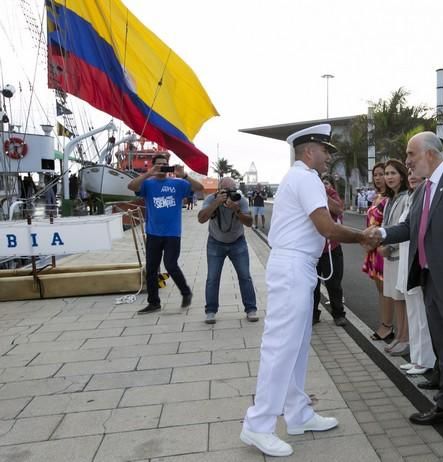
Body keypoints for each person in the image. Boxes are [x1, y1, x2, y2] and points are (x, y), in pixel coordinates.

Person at [240, 124, 377, 457]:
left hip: (298, 266)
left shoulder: (302, 177)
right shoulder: (305, 178)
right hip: (292, 267)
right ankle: (258, 425)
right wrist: (362, 237)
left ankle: (298, 413)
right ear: (308, 151)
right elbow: (326, 226)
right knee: (280, 347)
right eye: (325, 150)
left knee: (296, 346)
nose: (329, 156)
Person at [367, 131, 443, 442]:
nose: (407, 160)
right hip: (430, 280)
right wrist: (381, 232)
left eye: (411, 154)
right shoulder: (422, 191)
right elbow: (410, 228)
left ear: (431, 155)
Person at [127, 154, 204, 314]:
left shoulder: (178, 184)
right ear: (154, 166)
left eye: (165, 164)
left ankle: (186, 292)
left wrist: (184, 175)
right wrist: (149, 173)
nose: (162, 167)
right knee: (151, 269)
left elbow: (199, 188)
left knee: (170, 265)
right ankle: (154, 303)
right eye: (159, 165)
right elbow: (131, 186)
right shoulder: (148, 184)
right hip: (153, 233)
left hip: (172, 233)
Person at [198, 177, 258, 325]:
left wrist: (236, 209)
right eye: (225, 191)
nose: (229, 194)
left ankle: (251, 309)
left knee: (245, 276)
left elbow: (250, 223)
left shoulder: (240, 200)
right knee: (212, 278)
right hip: (215, 242)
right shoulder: (211, 199)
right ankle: (210, 311)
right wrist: (216, 203)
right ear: (218, 190)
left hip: (237, 241)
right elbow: (201, 219)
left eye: (232, 190)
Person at [396, 168, 436, 376]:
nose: (411, 175)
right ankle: (417, 357)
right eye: (409, 172)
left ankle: (426, 360)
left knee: (422, 316)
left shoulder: (428, 197)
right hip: (406, 262)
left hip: (417, 264)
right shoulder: (413, 198)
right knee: (413, 313)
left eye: (415, 172)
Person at [380, 159, 410, 356]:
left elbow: (404, 228)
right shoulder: (392, 198)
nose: (389, 177)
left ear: (402, 175)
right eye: (387, 173)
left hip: (399, 255)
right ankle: (399, 336)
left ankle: (405, 338)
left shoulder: (407, 197)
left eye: (393, 173)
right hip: (389, 256)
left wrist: (388, 246)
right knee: (394, 297)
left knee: (402, 298)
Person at [362, 163, 392, 341]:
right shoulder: (376, 197)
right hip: (372, 248)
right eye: (377, 175)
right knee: (380, 291)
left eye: (383, 174)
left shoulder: (390, 198)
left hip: (381, 247)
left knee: (386, 290)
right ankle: (384, 323)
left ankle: (387, 326)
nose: (379, 178)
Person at [313, 175, 347, 326]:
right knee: (312, 284)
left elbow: (338, 209)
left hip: (331, 247)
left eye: (325, 183)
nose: (323, 185)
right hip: (313, 248)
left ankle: (338, 313)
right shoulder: (307, 193)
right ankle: (313, 313)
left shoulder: (330, 194)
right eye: (320, 183)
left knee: (334, 283)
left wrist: (323, 193)